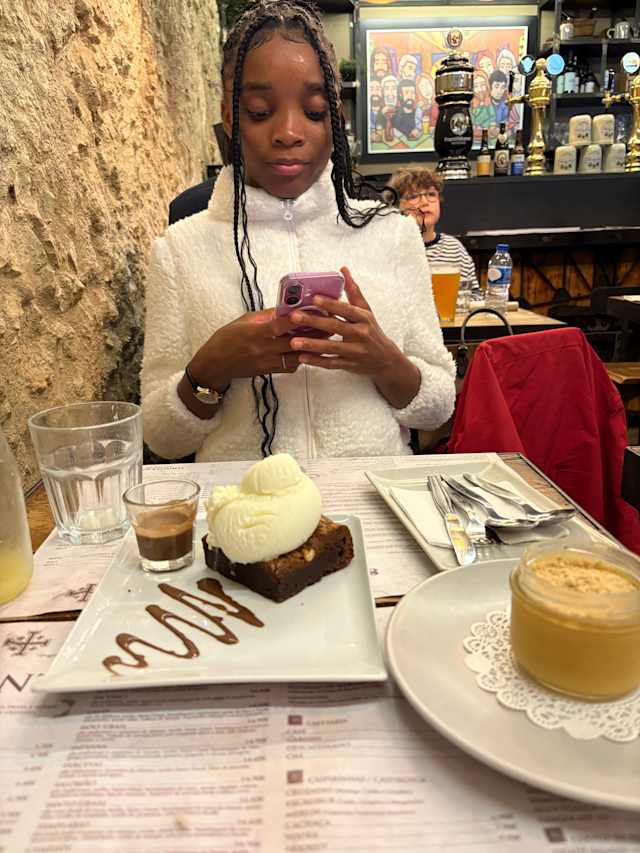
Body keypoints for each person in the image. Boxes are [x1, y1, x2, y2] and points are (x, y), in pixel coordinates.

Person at [141, 0, 455, 463]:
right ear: (230, 117)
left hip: (370, 497)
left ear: (336, 119)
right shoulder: (179, 251)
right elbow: (162, 439)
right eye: (260, 111)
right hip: (243, 502)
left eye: (313, 111)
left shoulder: (392, 234)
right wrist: (210, 369)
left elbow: (439, 408)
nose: (288, 132)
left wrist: (383, 360)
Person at [388, 168, 479, 291]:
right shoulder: (388, 249)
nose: (425, 202)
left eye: (431, 194)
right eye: (413, 196)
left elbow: (472, 297)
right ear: (396, 206)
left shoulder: (455, 249)